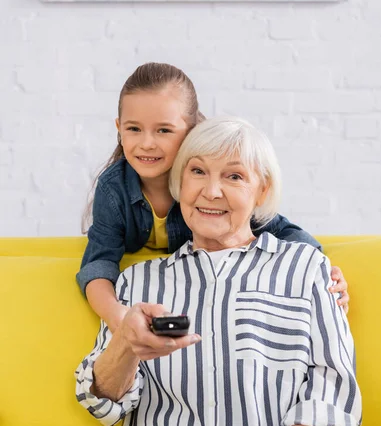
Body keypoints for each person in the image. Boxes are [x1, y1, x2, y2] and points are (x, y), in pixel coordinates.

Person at [75, 116, 362, 426]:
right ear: (178, 183)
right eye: (197, 172)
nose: (211, 191)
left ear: (261, 192)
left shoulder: (306, 268)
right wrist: (126, 346)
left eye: (233, 176)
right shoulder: (139, 282)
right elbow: (103, 402)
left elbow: (333, 385)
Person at [76, 62, 349, 333]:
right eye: (134, 129)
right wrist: (117, 315)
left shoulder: (207, 189)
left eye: (164, 130)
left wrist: (325, 274)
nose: (147, 143)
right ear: (119, 127)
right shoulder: (114, 189)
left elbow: (280, 229)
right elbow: (98, 263)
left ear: (192, 131)